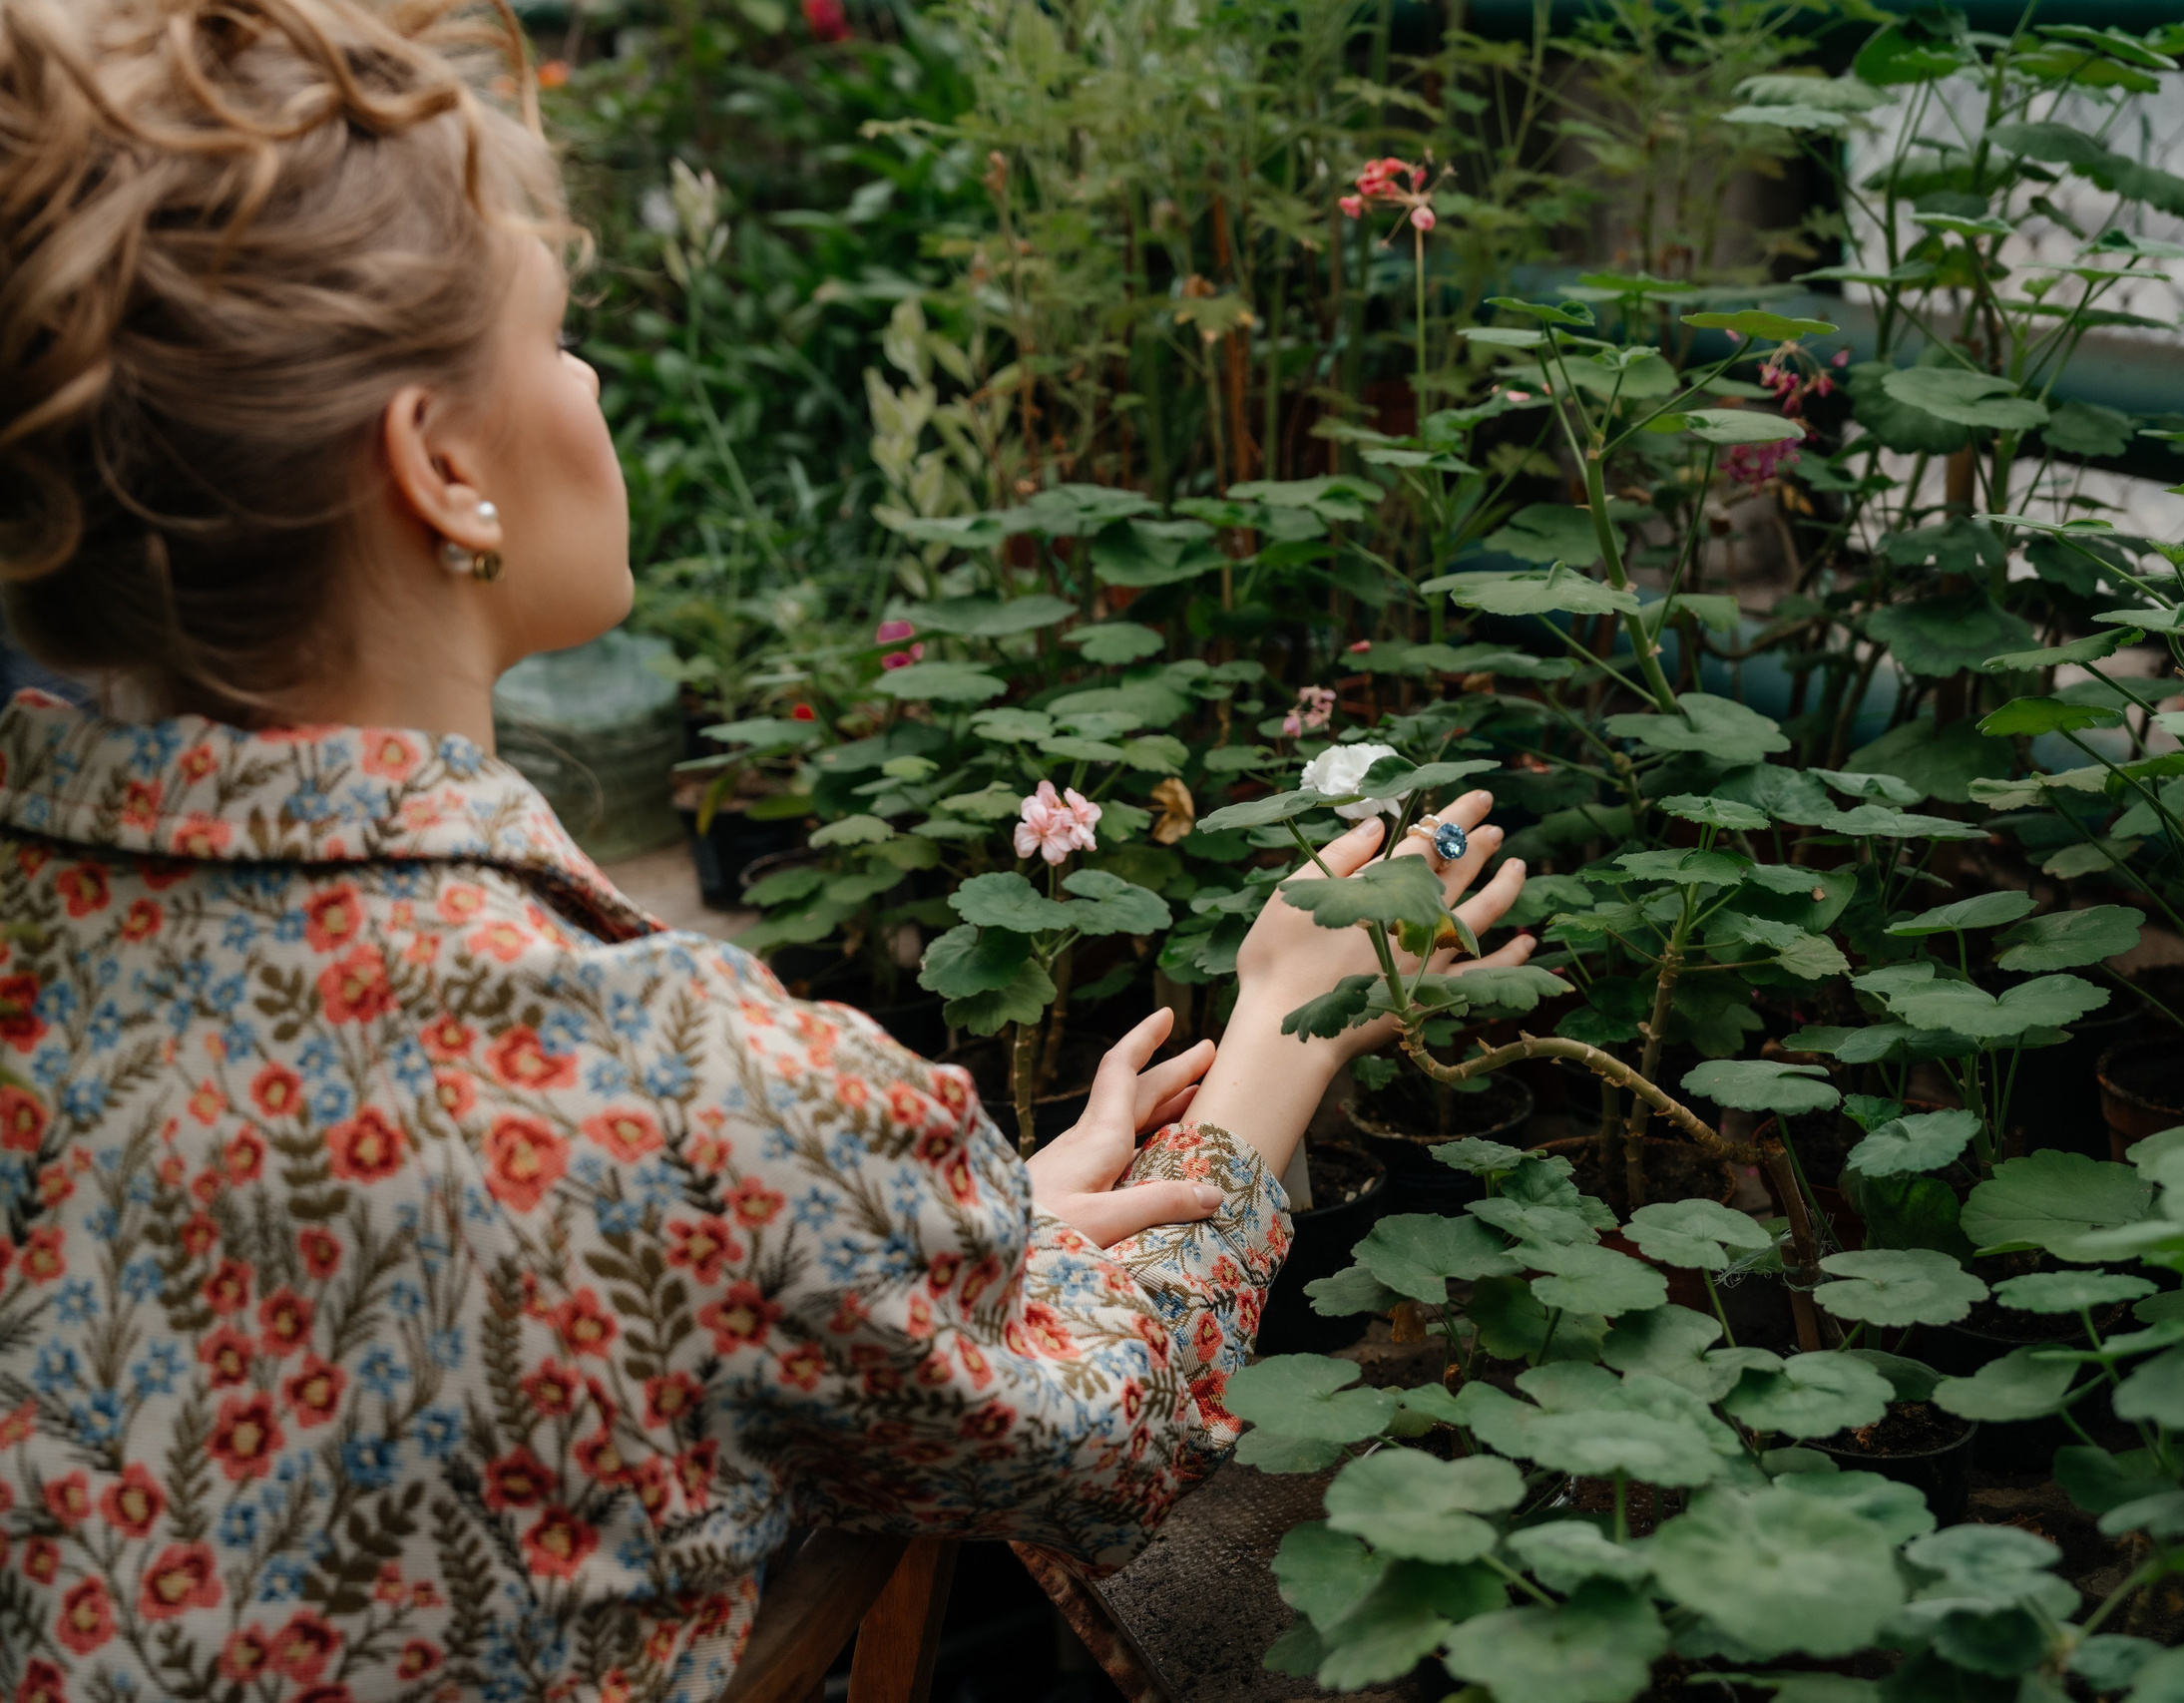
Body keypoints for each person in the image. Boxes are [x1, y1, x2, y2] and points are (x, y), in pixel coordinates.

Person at [0, 0, 1535, 1696]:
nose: (588, 386)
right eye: (558, 335)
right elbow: (1099, 1444)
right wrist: (1275, 1023)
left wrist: (945, 1236)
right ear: (440, 467)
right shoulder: (678, 1090)